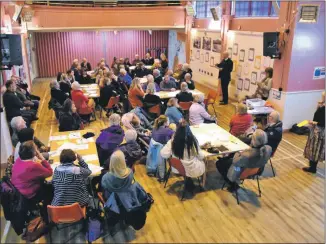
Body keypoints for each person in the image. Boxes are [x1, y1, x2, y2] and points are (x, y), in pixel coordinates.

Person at [161, 120, 205, 186]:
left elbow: (163, 153)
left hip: (178, 168)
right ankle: (202, 183)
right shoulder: (193, 141)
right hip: (192, 169)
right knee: (203, 160)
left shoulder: (173, 141)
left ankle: (187, 179)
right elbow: (201, 156)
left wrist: (171, 155)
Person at [302, 92, 325, 173]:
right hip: (317, 130)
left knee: (315, 149)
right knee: (314, 149)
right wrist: (318, 107)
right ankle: (312, 166)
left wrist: (312, 122)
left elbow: (322, 123)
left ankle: (312, 168)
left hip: (319, 132)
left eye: (323, 97)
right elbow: (317, 117)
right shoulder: (322, 107)